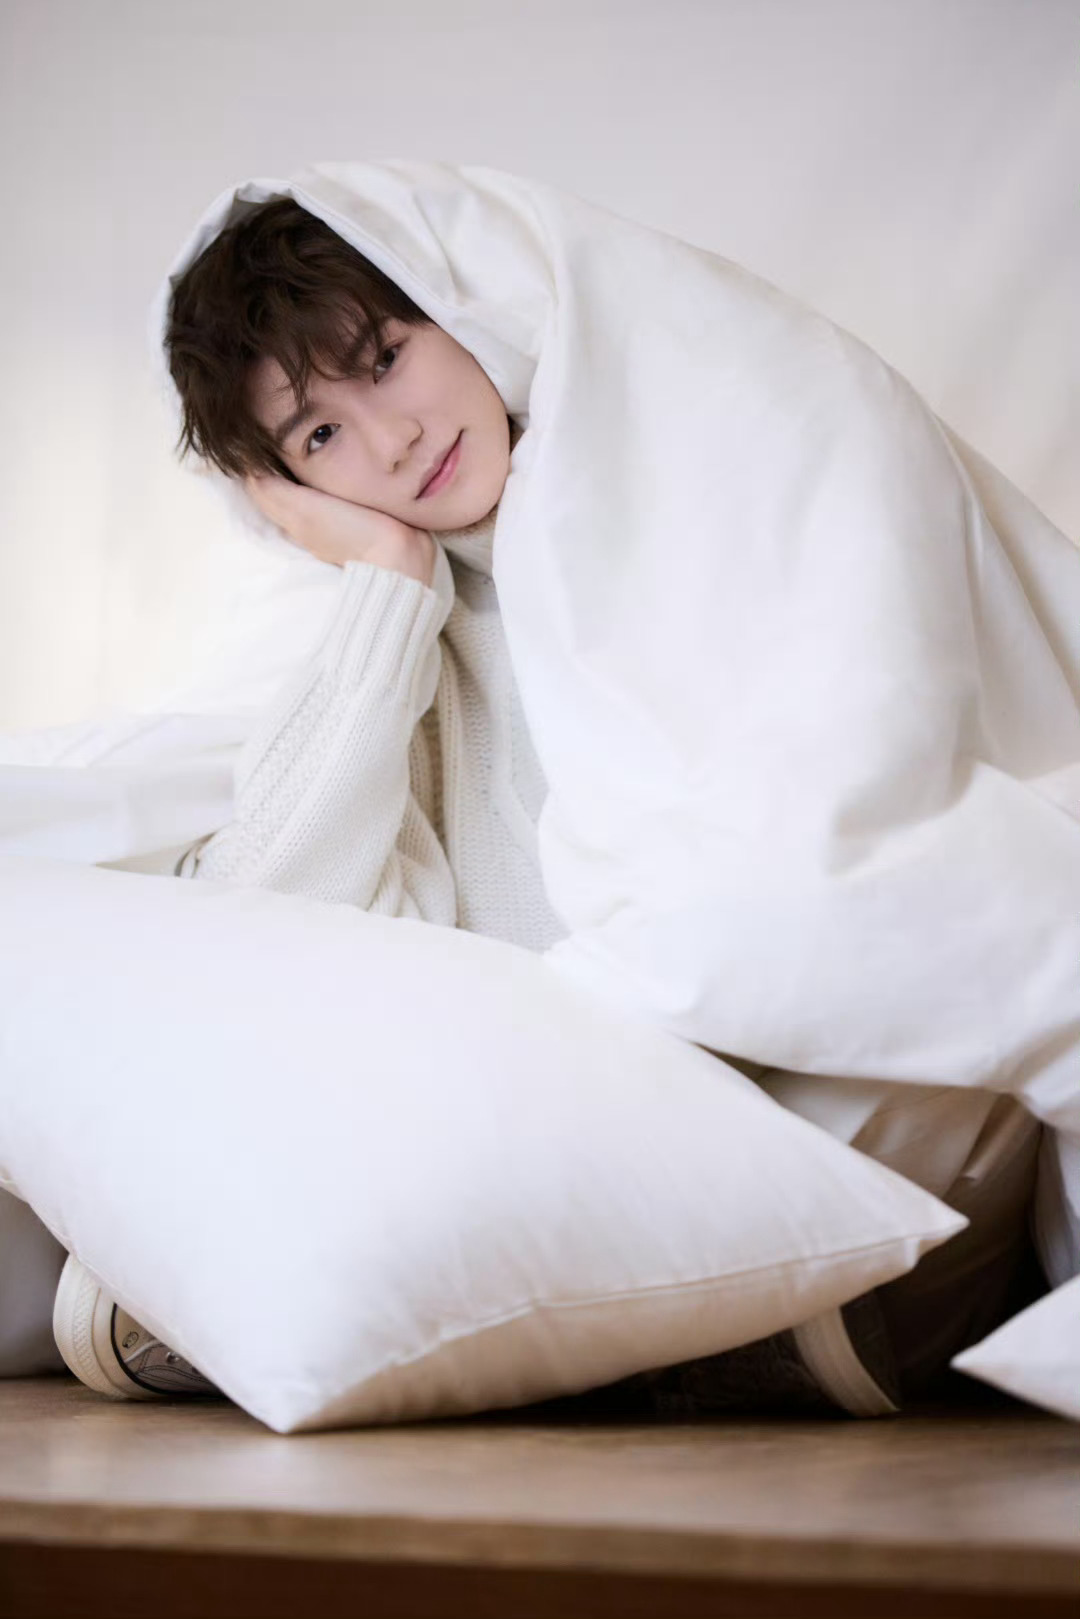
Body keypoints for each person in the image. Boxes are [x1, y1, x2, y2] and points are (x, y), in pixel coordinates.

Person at [50, 195, 1040, 1414]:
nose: (395, 440)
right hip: (572, 1138)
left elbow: (863, 800)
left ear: (465, 309)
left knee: (948, 968)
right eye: (320, 434)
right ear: (282, 490)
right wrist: (390, 583)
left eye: (384, 357)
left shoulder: (691, 481)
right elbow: (259, 931)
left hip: (781, 1083)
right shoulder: (398, 640)